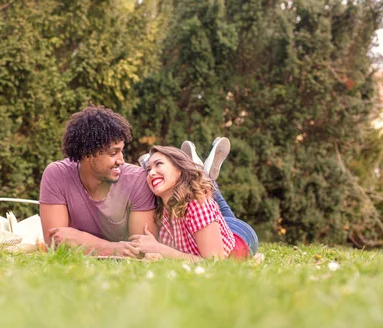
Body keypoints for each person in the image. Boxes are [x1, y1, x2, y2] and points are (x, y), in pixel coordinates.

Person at [39, 104, 157, 257]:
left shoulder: (137, 180)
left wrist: (81, 240)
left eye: (121, 151)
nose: (121, 160)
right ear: (88, 153)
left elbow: (142, 252)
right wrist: (118, 249)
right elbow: (55, 245)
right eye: (113, 153)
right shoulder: (57, 175)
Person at [128, 144, 258, 260]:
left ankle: (203, 173)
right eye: (148, 169)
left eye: (158, 164)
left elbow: (214, 262)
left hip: (240, 235)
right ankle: (202, 172)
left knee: (204, 192)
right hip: (212, 227)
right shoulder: (160, 210)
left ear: (179, 169)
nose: (151, 173)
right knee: (203, 190)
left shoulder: (197, 204)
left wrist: (159, 249)